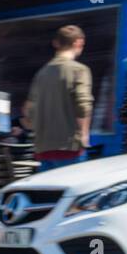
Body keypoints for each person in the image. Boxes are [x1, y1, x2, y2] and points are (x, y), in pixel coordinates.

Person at [24, 25, 93, 172]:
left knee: (49, 194)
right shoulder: (79, 70)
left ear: (57, 43)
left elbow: (29, 111)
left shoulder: (41, 74)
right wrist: (84, 134)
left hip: (43, 151)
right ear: (78, 42)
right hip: (70, 149)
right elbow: (83, 106)